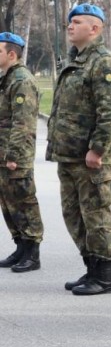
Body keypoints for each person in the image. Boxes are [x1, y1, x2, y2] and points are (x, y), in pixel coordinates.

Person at [46, 3, 111, 295]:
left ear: (94, 29)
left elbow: (110, 111)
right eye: (70, 21)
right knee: (74, 214)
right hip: (68, 155)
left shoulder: (103, 63)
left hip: (91, 158)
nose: (70, 26)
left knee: (96, 215)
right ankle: (91, 267)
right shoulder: (75, 60)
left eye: (77, 22)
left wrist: (98, 149)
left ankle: (104, 276)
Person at [0, 32, 44, 272]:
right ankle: (20, 246)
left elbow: (22, 122)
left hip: (14, 154)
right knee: (8, 202)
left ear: (11, 54)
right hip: (3, 153)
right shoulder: (6, 78)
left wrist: (14, 155)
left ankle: (32, 252)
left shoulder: (22, 80)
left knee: (24, 201)